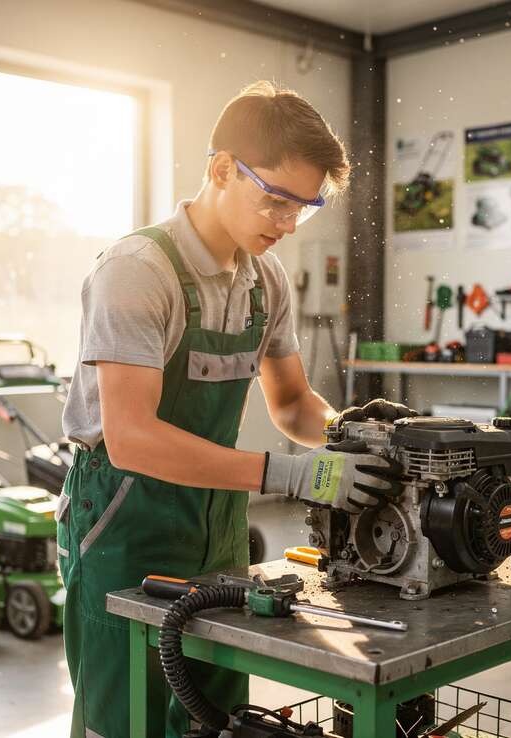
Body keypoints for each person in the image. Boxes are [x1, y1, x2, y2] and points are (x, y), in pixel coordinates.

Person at [57, 80, 413, 738]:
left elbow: (292, 403)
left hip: (219, 521)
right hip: (124, 517)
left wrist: (346, 431)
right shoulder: (139, 271)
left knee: (215, 716)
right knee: (124, 716)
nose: (285, 224)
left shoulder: (264, 278)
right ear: (222, 169)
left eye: (303, 209)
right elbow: (131, 438)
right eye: (275, 199)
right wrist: (293, 475)